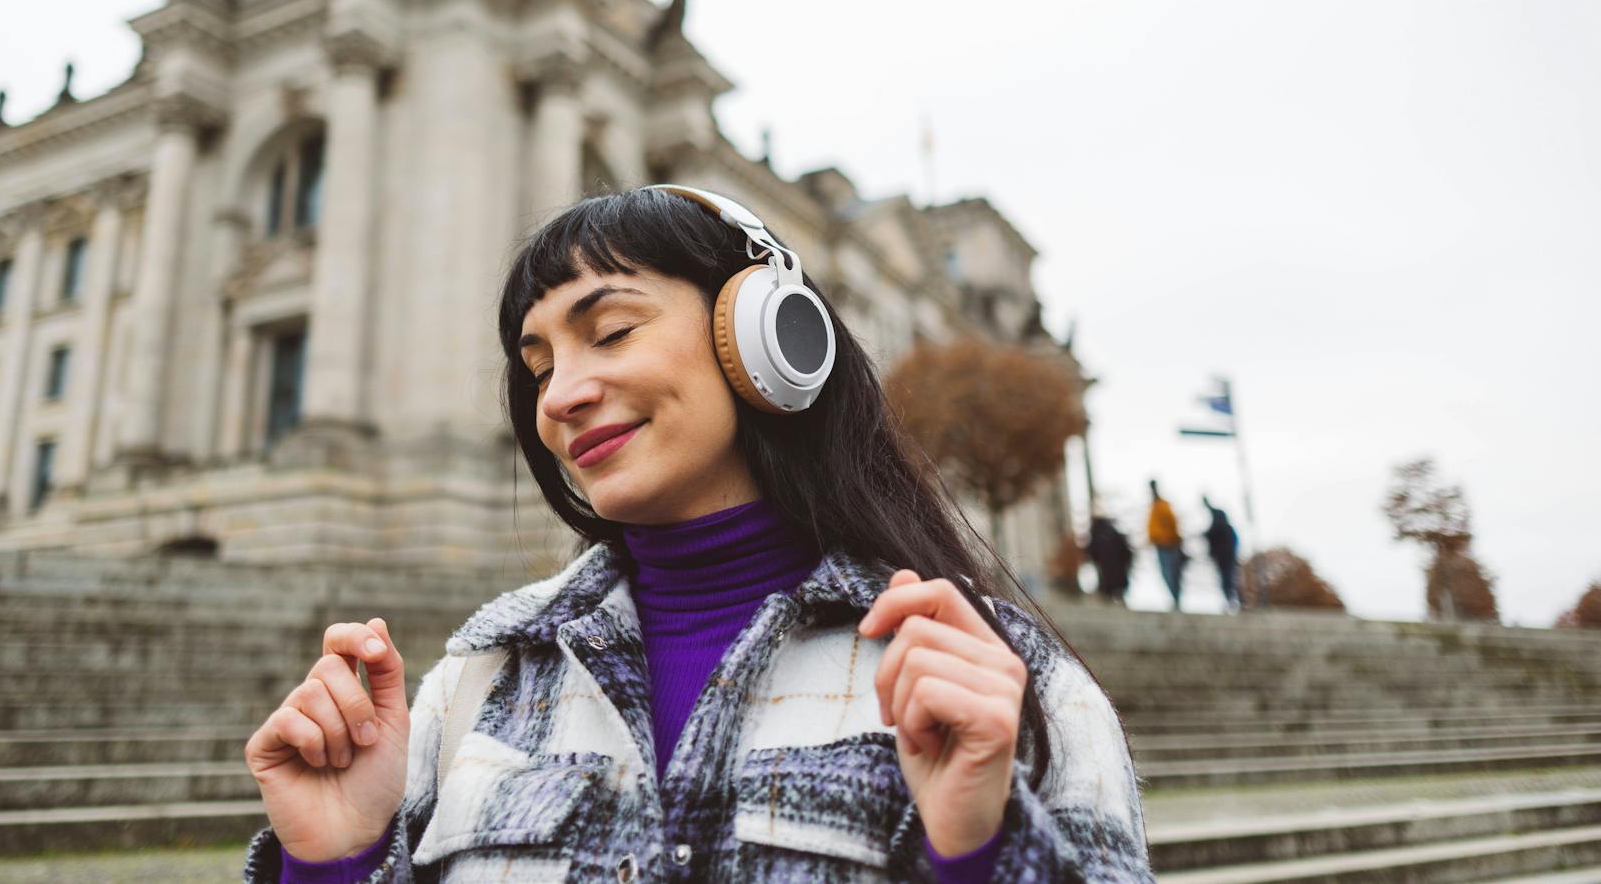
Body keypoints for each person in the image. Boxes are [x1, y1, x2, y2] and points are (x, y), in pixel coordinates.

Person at [242, 186, 1154, 882]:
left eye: (611, 330)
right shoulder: (472, 685)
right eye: (540, 364)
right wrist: (336, 861)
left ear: (764, 339)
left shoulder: (999, 676)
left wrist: (985, 850)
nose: (558, 396)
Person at [1147, 481, 1184, 611]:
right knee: (1166, 573)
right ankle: (1174, 598)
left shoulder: (1163, 506)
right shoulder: (1153, 508)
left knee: (1171, 573)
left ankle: (1176, 599)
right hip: (1160, 545)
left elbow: (1173, 524)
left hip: (1169, 545)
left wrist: (1174, 539)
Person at [1202, 497, 1241, 612]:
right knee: (1227, 579)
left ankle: (1234, 601)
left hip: (1226, 556)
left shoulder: (1222, 525)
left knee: (1228, 579)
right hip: (1223, 556)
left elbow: (1213, 532)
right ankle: (1232, 601)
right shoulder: (1225, 528)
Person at [1087, 512, 1133, 606]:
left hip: (1106, 567)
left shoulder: (1096, 533)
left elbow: (1092, 551)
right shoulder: (1113, 532)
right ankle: (1119, 600)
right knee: (1117, 585)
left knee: (1109, 585)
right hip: (1118, 567)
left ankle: (1111, 601)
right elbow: (1126, 550)